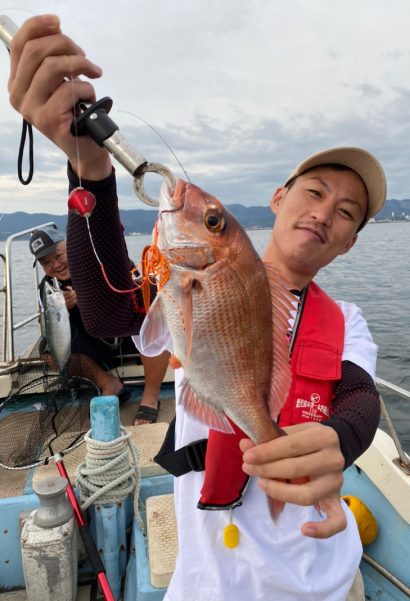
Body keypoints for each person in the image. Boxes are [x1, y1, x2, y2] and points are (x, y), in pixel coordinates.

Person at [7, 15, 385, 600]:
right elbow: (108, 313)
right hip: (211, 581)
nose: (325, 212)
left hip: (325, 574)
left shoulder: (347, 321)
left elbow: (360, 394)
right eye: (316, 191)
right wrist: (91, 173)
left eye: (347, 212)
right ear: (279, 198)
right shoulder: (189, 279)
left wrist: (340, 439)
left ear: (351, 239)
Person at [29, 223, 170, 424]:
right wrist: (65, 311)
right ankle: (109, 384)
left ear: (69, 245)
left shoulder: (103, 262)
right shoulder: (48, 288)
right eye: (46, 262)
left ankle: (150, 397)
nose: (56, 265)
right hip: (94, 349)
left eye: (58, 256)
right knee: (49, 353)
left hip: (127, 337)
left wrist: (90, 298)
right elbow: (52, 331)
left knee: (154, 322)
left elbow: (140, 293)